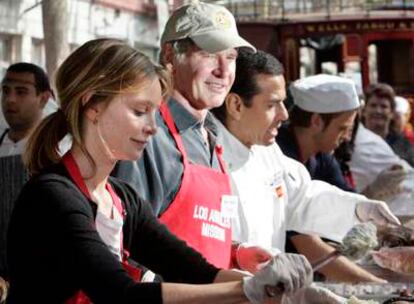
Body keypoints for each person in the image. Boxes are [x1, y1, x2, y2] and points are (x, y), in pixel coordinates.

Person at [6, 38, 314, 304]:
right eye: (140, 112)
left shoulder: (123, 200)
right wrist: (246, 289)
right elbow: (121, 294)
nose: (153, 128)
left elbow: (198, 273)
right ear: (92, 106)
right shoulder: (53, 196)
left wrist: (270, 284)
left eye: (155, 113)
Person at [213, 53, 400, 283]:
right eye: (272, 105)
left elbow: (301, 199)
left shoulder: (265, 150)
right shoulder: (207, 155)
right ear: (236, 105)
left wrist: (358, 209)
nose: (283, 114)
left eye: (283, 103)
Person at [113, 1, 267, 269]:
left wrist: (236, 255)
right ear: (170, 55)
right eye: (209, 54)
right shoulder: (148, 136)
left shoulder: (210, 136)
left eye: (230, 57)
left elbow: (200, 238)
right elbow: (125, 248)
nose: (223, 70)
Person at [0, 63, 52, 279]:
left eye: (21, 92)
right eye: (5, 91)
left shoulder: (54, 152)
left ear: (43, 98)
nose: (10, 99)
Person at [362, 83, 414, 166]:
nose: (378, 111)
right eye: (373, 106)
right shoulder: (352, 142)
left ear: (392, 113)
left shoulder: (404, 146)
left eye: (384, 107)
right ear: (364, 111)